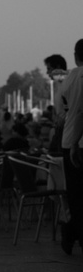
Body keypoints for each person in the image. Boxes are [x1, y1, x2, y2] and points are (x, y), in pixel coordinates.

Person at [58, 39, 83, 255]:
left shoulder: (70, 79)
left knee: (76, 193)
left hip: (71, 140)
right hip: (76, 141)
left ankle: (73, 230)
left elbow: (63, 110)